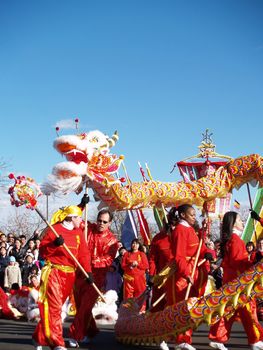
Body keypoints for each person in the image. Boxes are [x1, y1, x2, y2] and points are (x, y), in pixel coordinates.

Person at [32, 205, 92, 350]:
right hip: (54, 273)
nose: (81, 220)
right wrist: (54, 244)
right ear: (71, 218)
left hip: (70, 275)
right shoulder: (55, 230)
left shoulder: (78, 233)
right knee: (54, 308)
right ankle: (57, 343)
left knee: (56, 308)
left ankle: (38, 337)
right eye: (79, 217)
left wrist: (88, 273)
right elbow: (43, 251)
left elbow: (83, 255)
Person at [208, 211, 263, 350]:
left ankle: (218, 337)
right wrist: (254, 261)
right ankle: (254, 340)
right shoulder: (236, 240)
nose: (242, 222)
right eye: (239, 219)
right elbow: (240, 263)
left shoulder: (231, 240)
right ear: (233, 223)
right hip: (239, 284)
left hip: (232, 282)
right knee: (248, 310)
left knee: (229, 311)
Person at [68, 208, 118, 348]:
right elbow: (76, 218)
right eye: (99, 220)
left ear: (110, 223)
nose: (101, 223)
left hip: (95, 279)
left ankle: (75, 335)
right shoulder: (88, 229)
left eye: (104, 222)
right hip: (80, 275)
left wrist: (91, 262)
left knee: (85, 307)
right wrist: (82, 205)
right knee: (80, 307)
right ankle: (91, 331)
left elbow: (108, 260)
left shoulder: (112, 240)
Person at [166, 204, 212, 350]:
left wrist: (207, 252)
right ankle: (181, 340)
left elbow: (199, 247)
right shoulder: (180, 230)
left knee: (191, 305)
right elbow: (179, 256)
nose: (194, 217)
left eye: (194, 215)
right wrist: (186, 274)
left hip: (194, 271)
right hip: (184, 274)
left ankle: (183, 337)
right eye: (192, 215)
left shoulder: (191, 229)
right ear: (183, 215)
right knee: (183, 306)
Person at [148, 209, 174, 312]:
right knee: (157, 306)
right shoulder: (158, 238)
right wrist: (152, 274)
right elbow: (152, 259)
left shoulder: (181, 236)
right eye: (168, 223)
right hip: (160, 277)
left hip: (176, 277)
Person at [121, 238, 149, 312]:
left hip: (140, 278)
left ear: (139, 245)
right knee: (128, 296)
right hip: (129, 278)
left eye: (136, 243)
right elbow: (123, 266)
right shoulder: (127, 254)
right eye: (133, 243)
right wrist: (129, 266)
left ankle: (141, 311)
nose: (134, 245)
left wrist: (138, 264)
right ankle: (127, 312)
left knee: (140, 295)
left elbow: (146, 266)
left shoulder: (142, 254)